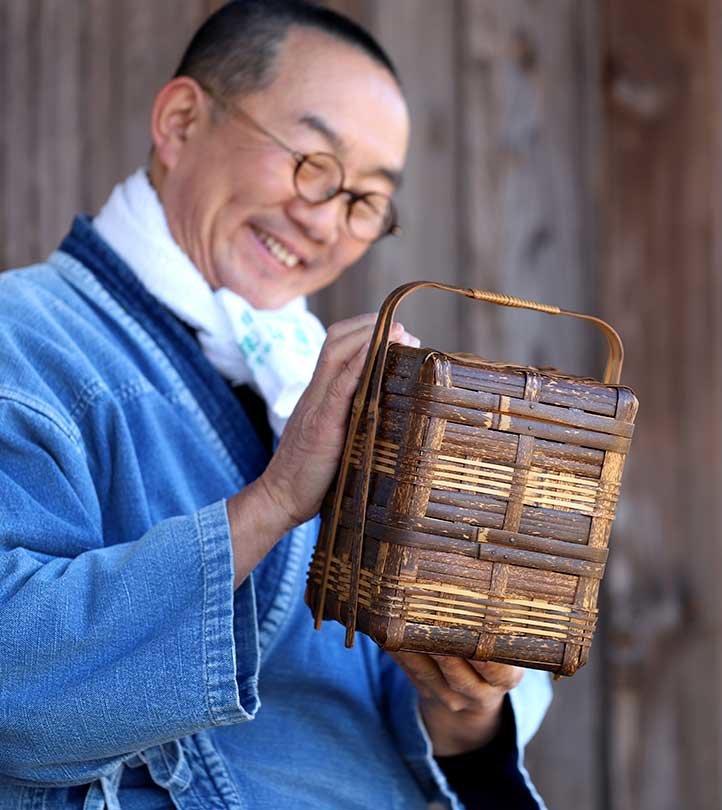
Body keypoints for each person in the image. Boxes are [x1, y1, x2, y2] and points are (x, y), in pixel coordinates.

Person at [0, 2, 551, 808]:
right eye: (312, 163)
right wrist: (274, 502)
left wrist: (462, 708)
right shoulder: (23, 338)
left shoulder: (325, 391)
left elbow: (419, 713)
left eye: (365, 200)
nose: (326, 221)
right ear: (182, 121)